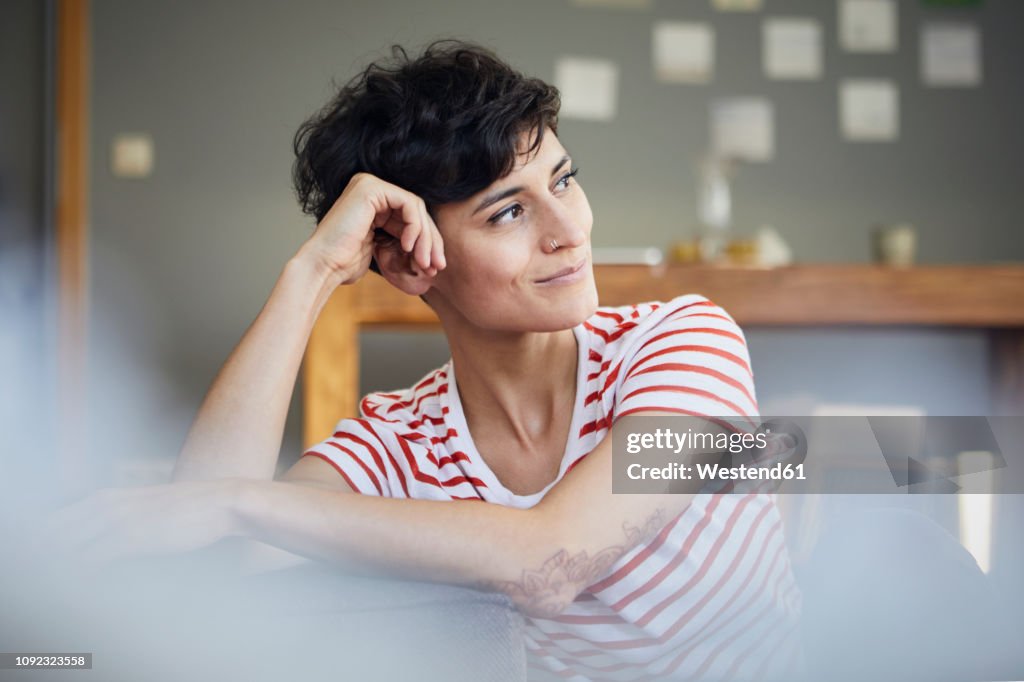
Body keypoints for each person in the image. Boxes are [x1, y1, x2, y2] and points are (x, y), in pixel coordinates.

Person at [47, 40, 802, 680]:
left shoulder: (681, 341)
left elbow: (556, 560)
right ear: (413, 262)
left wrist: (238, 503)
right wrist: (311, 275)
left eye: (563, 181)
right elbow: (203, 565)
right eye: (509, 210)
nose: (569, 230)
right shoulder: (401, 444)